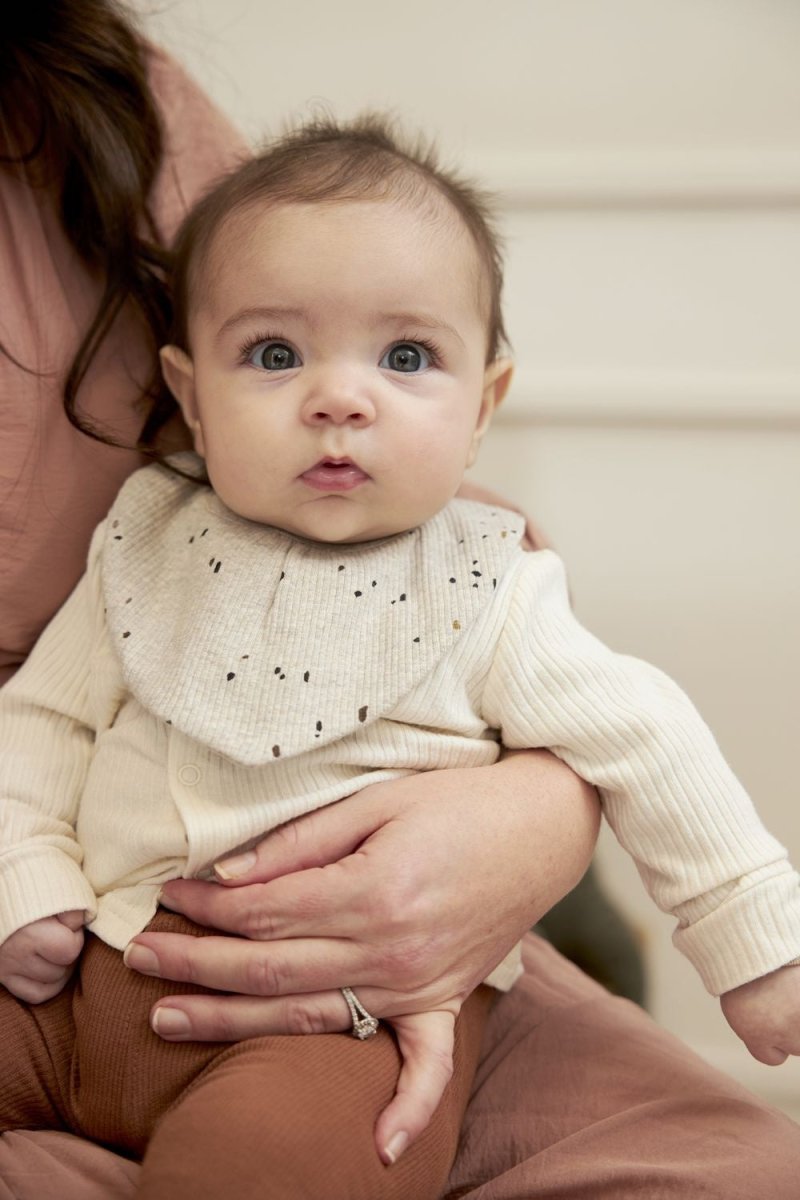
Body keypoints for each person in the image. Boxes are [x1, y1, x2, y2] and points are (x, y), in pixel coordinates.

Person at [2, 8, 799, 1200]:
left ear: (483, 406)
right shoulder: (143, 542)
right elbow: (40, 722)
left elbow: (650, 740)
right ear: (191, 392)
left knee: (278, 1163)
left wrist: (758, 951)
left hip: (336, 1018)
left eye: (406, 358)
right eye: (275, 356)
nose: (339, 399)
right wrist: (25, 882)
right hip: (71, 977)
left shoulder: (491, 588)